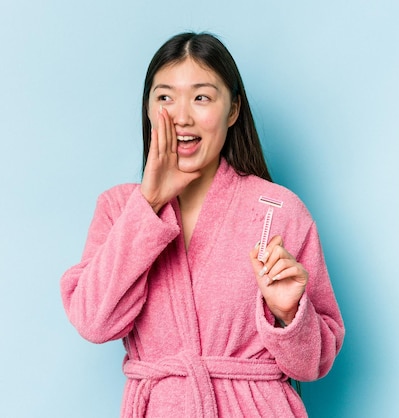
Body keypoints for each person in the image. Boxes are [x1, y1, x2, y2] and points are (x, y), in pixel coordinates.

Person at [60, 32, 345, 417]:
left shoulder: (279, 210)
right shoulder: (119, 208)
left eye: (201, 97)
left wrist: (289, 314)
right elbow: (94, 322)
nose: (182, 115)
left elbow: (314, 364)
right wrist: (150, 203)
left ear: (232, 110)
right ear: (148, 109)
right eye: (165, 97)